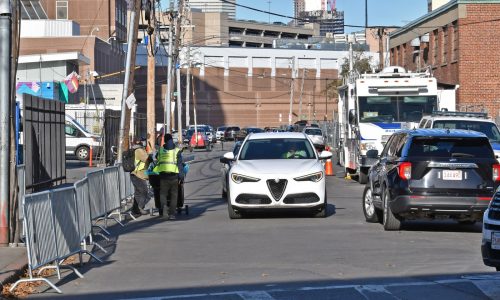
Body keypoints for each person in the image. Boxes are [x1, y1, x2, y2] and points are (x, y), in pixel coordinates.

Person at [153, 134, 183, 220]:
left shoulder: (161, 150)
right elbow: (180, 165)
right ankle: (172, 214)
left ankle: (165, 213)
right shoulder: (177, 151)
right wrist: (181, 177)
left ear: (165, 141)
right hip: (174, 176)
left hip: (163, 176)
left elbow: (157, 159)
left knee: (163, 194)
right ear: (172, 140)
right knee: (174, 195)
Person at [130, 138, 152, 216]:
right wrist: (151, 155)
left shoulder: (135, 150)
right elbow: (147, 159)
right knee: (144, 191)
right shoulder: (139, 150)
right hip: (138, 175)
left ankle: (135, 211)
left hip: (135, 174)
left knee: (138, 193)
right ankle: (140, 208)